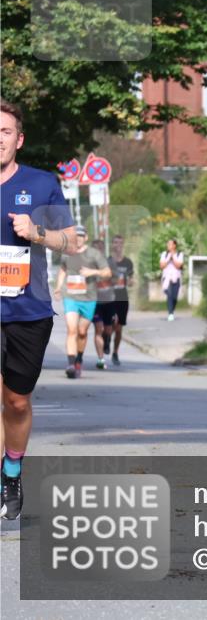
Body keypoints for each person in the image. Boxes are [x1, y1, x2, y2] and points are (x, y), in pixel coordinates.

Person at [1, 99, 77, 520]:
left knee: (15, 401)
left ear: (19, 139)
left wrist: (37, 232)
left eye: (5, 131)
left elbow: (72, 241)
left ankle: (11, 470)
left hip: (28, 310)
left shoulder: (42, 184)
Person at [54, 226, 111, 379]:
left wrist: (93, 272)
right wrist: (58, 287)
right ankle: (71, 364)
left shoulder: (94, 254)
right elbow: (63, 270)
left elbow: (107, 272)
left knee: (82, 332)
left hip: (88, 298)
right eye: (75, 236)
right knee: (71, 329)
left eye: (81, 236)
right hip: (70, 297)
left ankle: (79, 358)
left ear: (86, 238)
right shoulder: (67, 253)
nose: (78, 239)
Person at [104, 234, 133, 366]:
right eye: (116, 243)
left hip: (123, 298)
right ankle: (107, 338)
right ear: (112, 245)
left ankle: (115, 352)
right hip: (109, 297)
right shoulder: (108, 261)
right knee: (109, 325)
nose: (118, 245)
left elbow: (131, 278)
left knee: (119, 328)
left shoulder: (128, 262)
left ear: (123, 245)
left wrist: (131, 281)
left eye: (120, 243)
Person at [91, 239, 113, 370]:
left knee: (108, 330)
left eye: (100, 248)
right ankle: (100, 358)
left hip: (109, 301)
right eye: (95, 248)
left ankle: (107, 341)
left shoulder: (109, 264)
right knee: (99, 329)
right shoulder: (88, 264)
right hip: (94, 302)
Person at [159, 239, 183, 321]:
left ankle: (171, 311)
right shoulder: (164, 254)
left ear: (174, 245)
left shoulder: (180, 254)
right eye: (167, 244)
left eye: (170, 244)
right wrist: (169, 259)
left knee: (174, 298)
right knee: (169, 294)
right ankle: (170, 314)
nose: (168, 245)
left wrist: (173, 257)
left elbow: (178, 266)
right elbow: (162, 266)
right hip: (167, 278)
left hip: (176, 278)